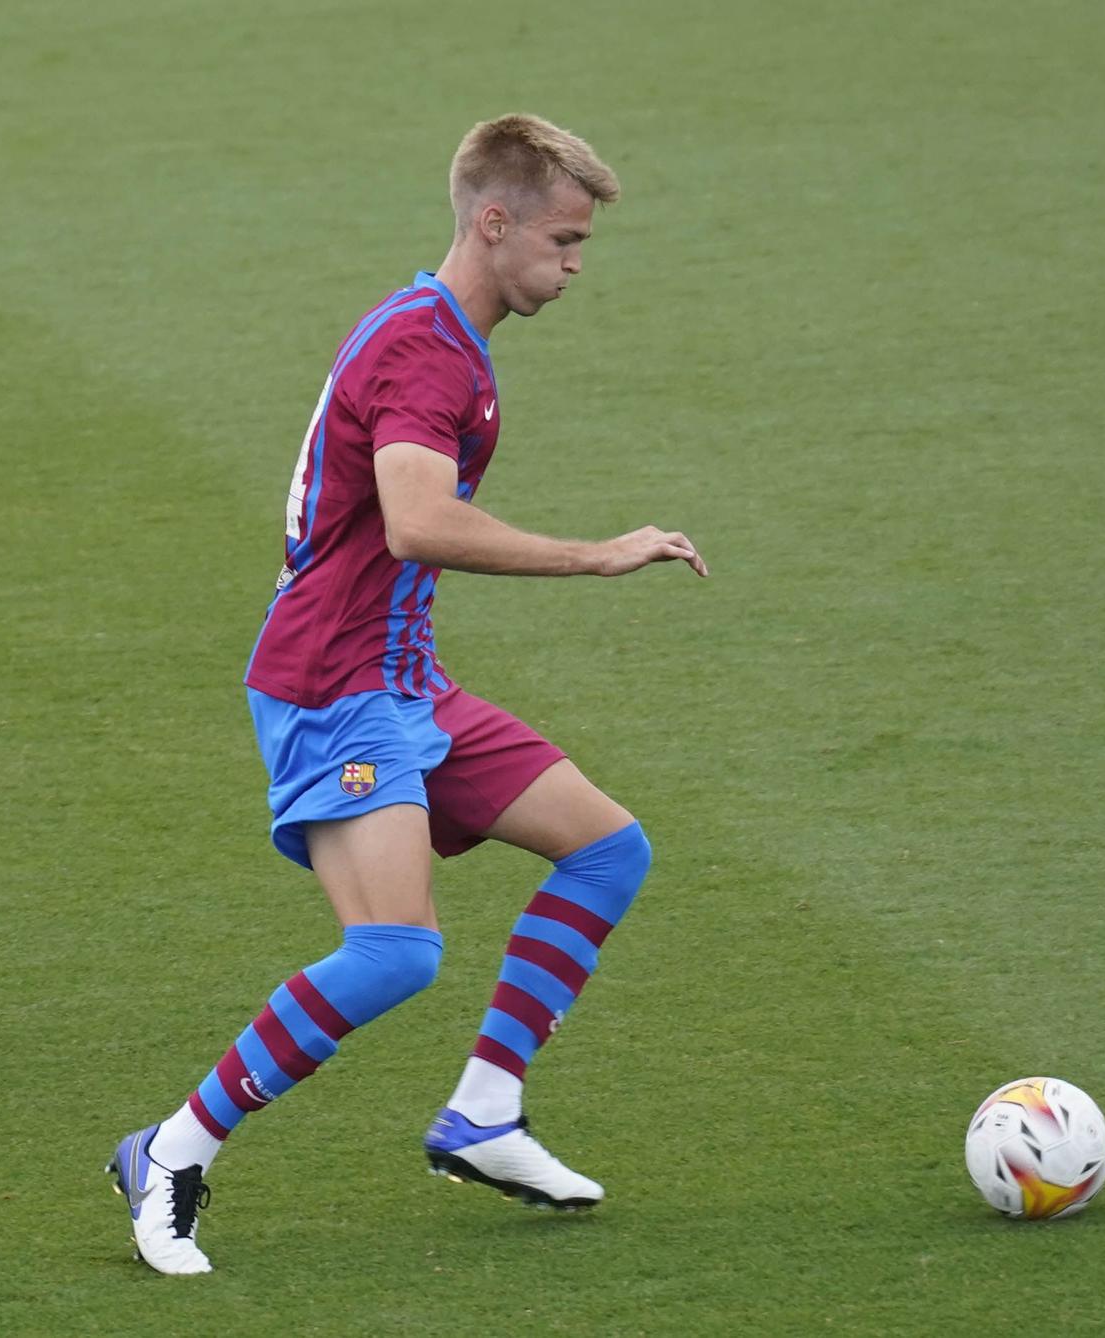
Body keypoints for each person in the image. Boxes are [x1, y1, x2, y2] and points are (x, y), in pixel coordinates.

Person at [107, 115, 707, 1274]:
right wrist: (595, 554)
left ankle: (484, 1114)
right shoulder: (423, 351)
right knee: (393, 951)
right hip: (332, 687)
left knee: (605, 849)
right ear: (494, 223)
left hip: (401, 679)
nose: (576, 263)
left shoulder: (437, 334)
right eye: (564, 239)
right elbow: (416, 522)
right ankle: (170, 1151)